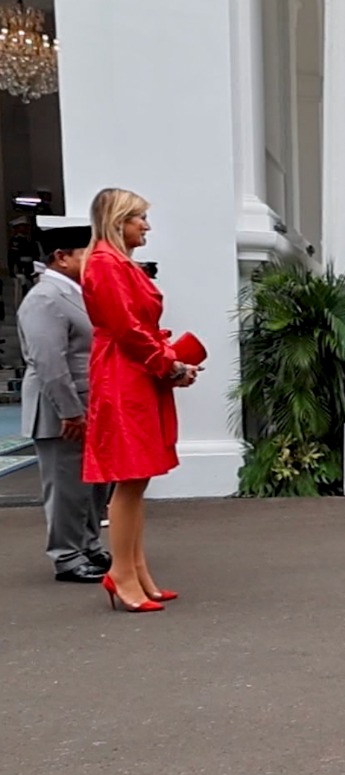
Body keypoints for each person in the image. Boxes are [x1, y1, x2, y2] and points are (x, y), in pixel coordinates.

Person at [82, 188, 201, 614]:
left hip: (131, 371)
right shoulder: (104, 264)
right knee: (130, 478)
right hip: (123, 376)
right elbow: (128, 330)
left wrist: (168, 361)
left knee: (138, 478)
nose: (146, 226)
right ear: (118, 222)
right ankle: (124, 573)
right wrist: (168, 365)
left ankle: (135, 570)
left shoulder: (112, 263)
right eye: (139, 219)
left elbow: (136, 331)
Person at [17, 221, 112, 583]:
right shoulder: (46, 299)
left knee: (90, 485)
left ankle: (88, 545)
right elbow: (50, 363)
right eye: (87, 254)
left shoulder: (74, 294)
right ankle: (67, 556)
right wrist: (70, 411)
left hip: (87, 405)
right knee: (66, 486)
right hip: (61, 410)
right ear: (61, 258)